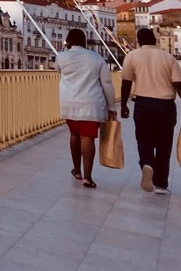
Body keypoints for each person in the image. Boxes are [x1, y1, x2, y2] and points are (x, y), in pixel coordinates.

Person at [120, 27, 181, 194]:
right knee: (164, 144)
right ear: (154, 39)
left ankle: (147, 163)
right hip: (166, 105)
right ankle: (161, 184)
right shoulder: (168, 58)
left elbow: (126, 82)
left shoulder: (132, 56)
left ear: (139, 41)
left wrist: (123, 105)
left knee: (144, 139)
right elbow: (178, 83)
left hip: (143, 104)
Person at [54, 28, 116, 188]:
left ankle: (77, 170)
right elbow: (107, 83)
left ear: (68, 41)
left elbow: (58, 69)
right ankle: (87, 177)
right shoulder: (96, 58)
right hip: (91, 103)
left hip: (70, 102)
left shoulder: (62, 57)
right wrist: (112, 106)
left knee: (74, 134)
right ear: (85, 41)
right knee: (87, 137)